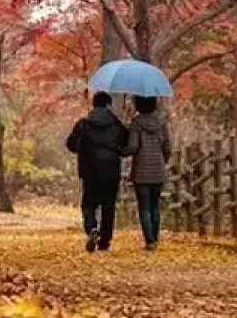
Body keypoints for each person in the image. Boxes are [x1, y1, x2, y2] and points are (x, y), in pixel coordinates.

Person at [66, 92, 128, 252]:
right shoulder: (116, 124)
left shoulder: (83, 124)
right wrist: (116, 151)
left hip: (90, 169)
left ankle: (91, 228)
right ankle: (104, 240)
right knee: (108, 205)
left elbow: (70, 144)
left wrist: (83, 148)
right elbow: (126, 142)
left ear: (93, 105)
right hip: (111, 169)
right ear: (108, 105)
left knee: (89, 203)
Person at [121, 96, 171, 251]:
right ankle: (155, 238)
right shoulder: (162, 123)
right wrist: (163, 161)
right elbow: (168, 147)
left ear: (138, 104)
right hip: (158, 170)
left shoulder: (136, 123)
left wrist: (120, 152)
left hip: (141, 172)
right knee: (155, 205)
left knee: (144, 207)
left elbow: (133, 147)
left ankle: (149, 241)